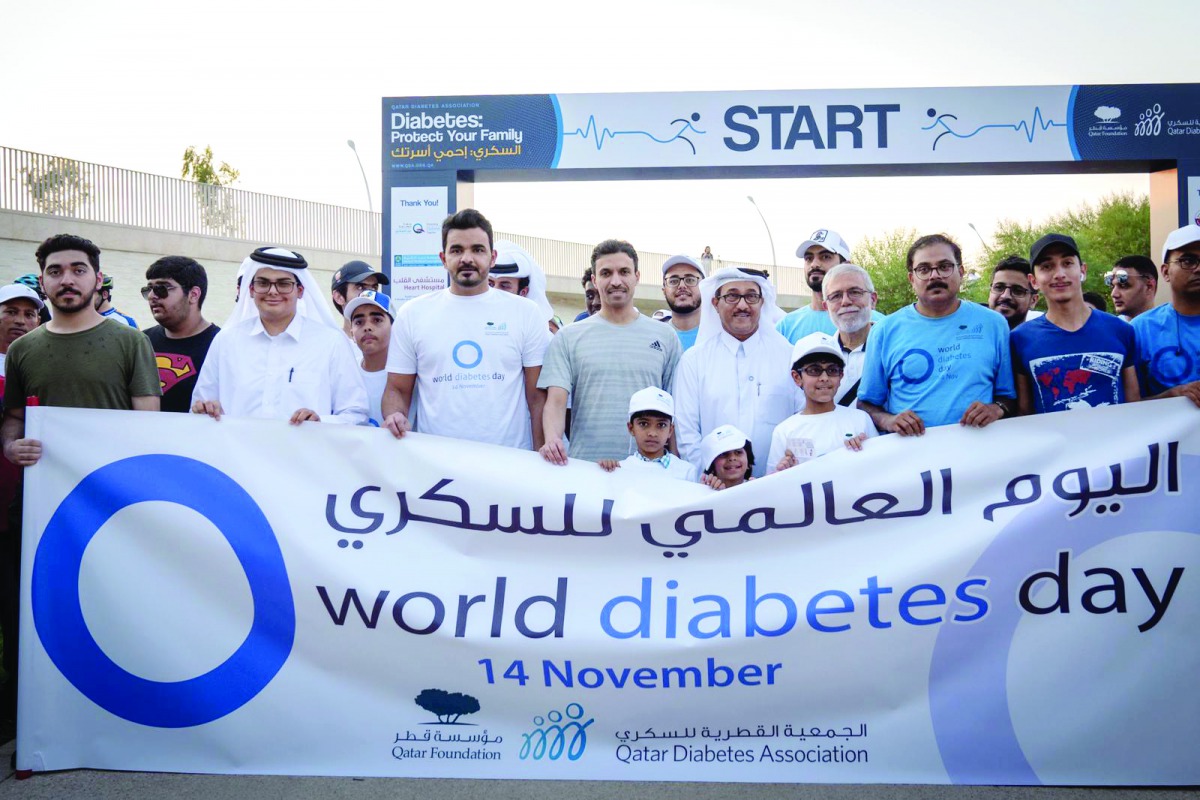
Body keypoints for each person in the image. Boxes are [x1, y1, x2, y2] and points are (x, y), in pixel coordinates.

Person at [382, 209, 549, 449]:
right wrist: (395, 414)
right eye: (457, 250)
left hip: (510, 467)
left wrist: (539, 464)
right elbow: (397, 389)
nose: (467, 259)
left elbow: (538, 399)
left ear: (492, 257)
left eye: (477, 250)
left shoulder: (526, 312)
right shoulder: (412, 314)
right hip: (435, 465)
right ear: (443, 258)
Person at [3, 233, 160, 466]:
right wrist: (10, 446)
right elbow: (15, 417)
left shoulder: (132, 341)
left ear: (98, 280)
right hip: (44, 490)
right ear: (42, 282)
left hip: (112, 489)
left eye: (79, 270)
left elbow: (148, 425)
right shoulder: (20, 349)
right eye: (55, 271)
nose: (67, 280)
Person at [539, 239, 682, 463]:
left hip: (649, 474)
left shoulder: (665, 337)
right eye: (606, 273)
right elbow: (556, 403)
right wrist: (552, 440)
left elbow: (674, 407)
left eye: (624, 272)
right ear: (595, 280)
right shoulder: (568, 337)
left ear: (637, 277)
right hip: (586, 472)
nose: (616, 281)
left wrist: (675, 463)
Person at [858, 234, 1015, 435]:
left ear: (960, 271)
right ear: (911, 278)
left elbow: (1009, 398)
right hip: (912, 457)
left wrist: (996, 409)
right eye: (924, 269)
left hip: (980, 457)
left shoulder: (994, 324)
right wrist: (889, 421)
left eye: (944, 266)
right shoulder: (884, 330)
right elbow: (865, 405)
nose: (935, 276)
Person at [192, 246, 368, 425]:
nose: (273, 291)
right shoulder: (226, 341)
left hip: (306, 451)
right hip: (236, 452)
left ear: (300, 291)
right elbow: (199, 406)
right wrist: (205, 410)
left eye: (284, 284)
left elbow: (356, 414)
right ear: (251, 289)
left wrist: (320, 422)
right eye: (263, 283)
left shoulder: (331, 343)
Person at [673, 266, 801, 477]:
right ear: (715, 303)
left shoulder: (789, 357)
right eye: (732, 296)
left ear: (762, 302)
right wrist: (708, 478)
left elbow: (802, 420)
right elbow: (686, 434)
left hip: (779, 487)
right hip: (715, 493)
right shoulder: (694, 361)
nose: (742, 305)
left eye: (751, 296)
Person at [1010, 233, 1139, 414]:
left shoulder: (1120, 331)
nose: (1059, 274)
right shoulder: (1020, 339)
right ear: (1034, 281)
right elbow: (1025, 413)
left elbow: (1135, 405)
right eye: (1047, 266)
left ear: (1083, 270)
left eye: (1067, 263)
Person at [769, 333, 877, 473]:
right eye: (814, 370)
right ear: (797, 377)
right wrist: (782, 471)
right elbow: (772, 485)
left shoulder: (861, 420)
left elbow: (879, 471)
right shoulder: (785, 431)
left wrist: (865, 449)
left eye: (832, 370)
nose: (824, 378)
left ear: (841, 376)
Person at [1132, 224, 1200, 405]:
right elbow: (1127, 406)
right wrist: (1170, 397)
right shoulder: (1141, 329)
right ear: (1165, 271)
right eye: (1188, 261)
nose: (1198, 268)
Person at [142, 256, 220, 413]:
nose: (152, 296)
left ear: (193, 294)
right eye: (148, 289)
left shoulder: (222, 344)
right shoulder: (141, 342)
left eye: (162, 288)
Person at [777, 228, 883, 342]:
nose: (814, 264)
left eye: (825, 257)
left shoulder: (881, 325)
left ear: (846, 265)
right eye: (809, 258)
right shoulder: (786, 327)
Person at [598, 387, 699, 481]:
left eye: (661, 425)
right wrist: (603, 471)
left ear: (670, 430)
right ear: (631, 428)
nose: (652, 433)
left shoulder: (687, 472)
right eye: (644, 424)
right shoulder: (619, 469)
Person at [821, 263, 878, 406]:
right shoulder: (818, 354)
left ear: (873, 299)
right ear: (826, 307)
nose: (845, 301)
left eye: (855, 292)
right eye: (836, 296)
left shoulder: (893, 349)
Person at [344, 290, 394, 427]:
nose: (367, 327)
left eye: (377, 320)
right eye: (359, 322)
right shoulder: (345, 371)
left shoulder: (407, 373)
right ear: (351, 332)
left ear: (394, 327)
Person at [490, 240, 562, 333]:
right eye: (490, 284)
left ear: (523, 292)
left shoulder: (537, 332)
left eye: (504, 286)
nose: (495, 290)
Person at [0, 285, 43, 391]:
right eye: (11, 312)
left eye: (29, 314)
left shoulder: (46, 365)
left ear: (38, 321)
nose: (20, 321)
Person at [331, 260, 389, 337]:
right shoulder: (332, 345)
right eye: (360, 287)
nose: (370, 294)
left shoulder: (389, 342)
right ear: (339, 297)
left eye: (374, 288)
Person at [660, 254, 705, 351]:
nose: (682, 285)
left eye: (690, 280)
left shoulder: (720, 334)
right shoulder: (655, 336)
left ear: (705, 287)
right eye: (673, 281)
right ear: (664, 290)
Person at [987, 255, 1041, 329]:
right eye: (999, 287)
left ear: (1033, 300)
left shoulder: (1043, 339)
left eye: (1017, 291)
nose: (1005, 296)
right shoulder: (968, 333)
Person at [698, 424, 755, 489]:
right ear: (712, 465)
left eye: (738, 452)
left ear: (748, 462)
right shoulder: (702, 493)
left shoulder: (758, 489)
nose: (732, 458)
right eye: (723, 454)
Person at [1105, 255, 1158, 321]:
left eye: (1123, 286)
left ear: (1149, 287)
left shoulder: (1170, 328)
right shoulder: (1110, 329)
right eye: (1112, 286)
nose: (1114, 294)